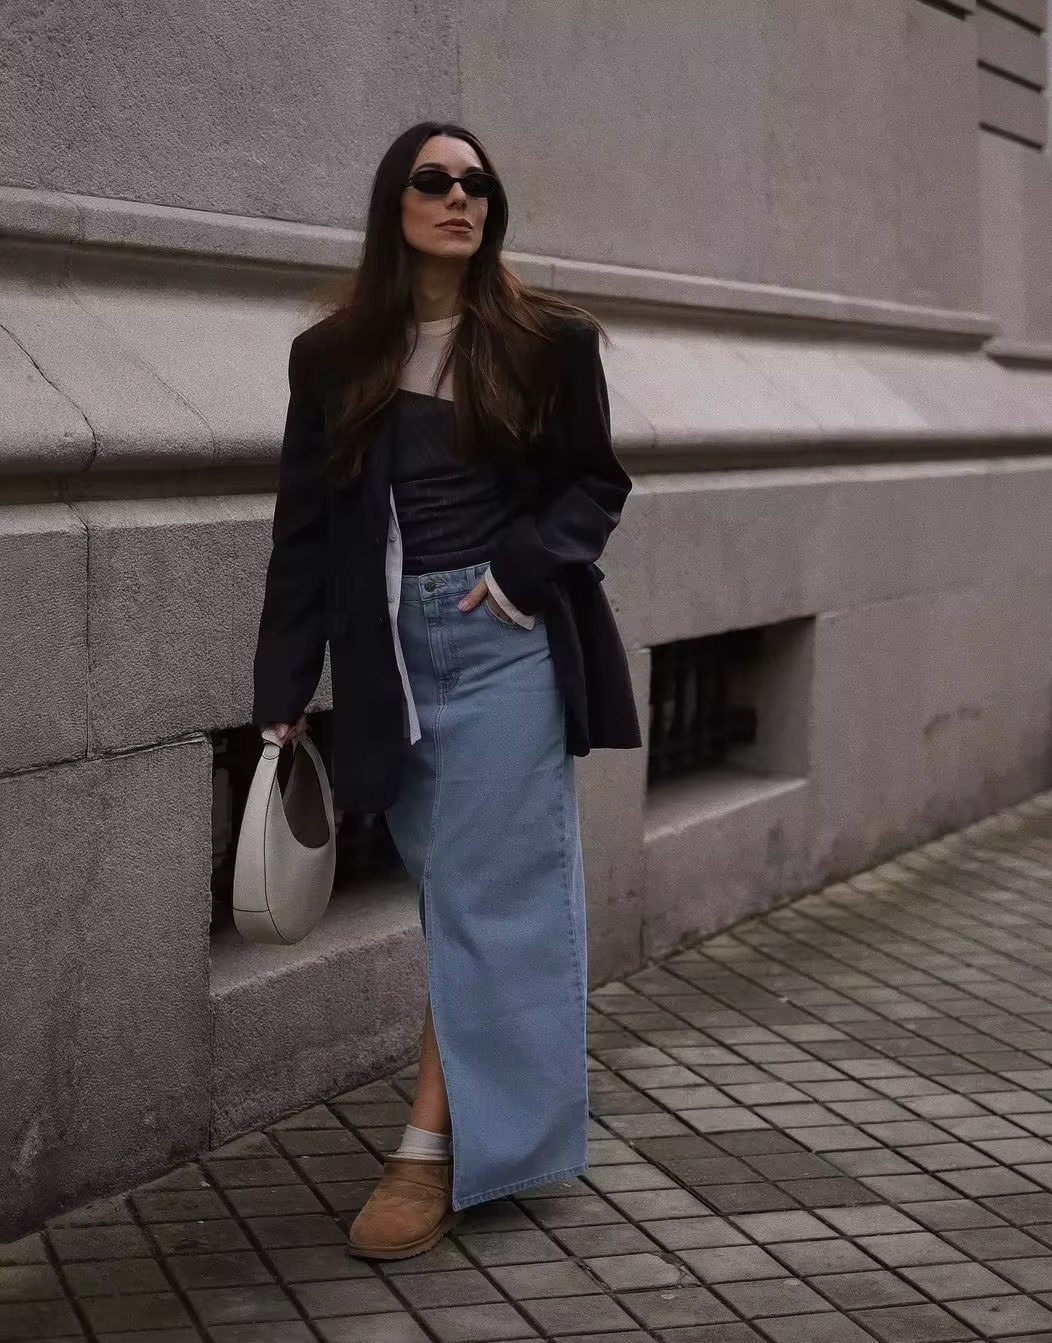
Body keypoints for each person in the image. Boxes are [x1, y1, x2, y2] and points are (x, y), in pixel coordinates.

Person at [252, 120, 640, 1260]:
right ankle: (487, 1122)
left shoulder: (547, 341)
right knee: (454, 894)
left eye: (478, 183)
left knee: (483, 897)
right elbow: (304, 532)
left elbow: (595, 484)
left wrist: (518, 577)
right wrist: (284, 684)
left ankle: (428, 1151)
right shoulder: (332, 357)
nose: (461, 197)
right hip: (389, 653)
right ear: (397, 204)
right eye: (436, 180)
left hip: (503, 644)